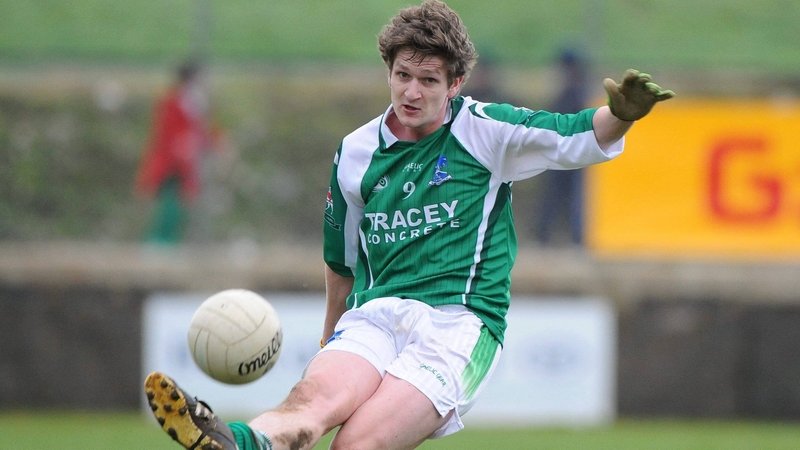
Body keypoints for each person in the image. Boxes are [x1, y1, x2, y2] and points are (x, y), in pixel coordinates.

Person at [144, 1, 674, 449]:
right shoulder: (355, 151)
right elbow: (341, 261)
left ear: (455, 82)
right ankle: (236, 442)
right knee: (309, 407)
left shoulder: (484, 131)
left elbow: (576, 133)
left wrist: (623, 114)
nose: (412, 92)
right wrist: (332, 338)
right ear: (388, 73)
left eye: (428, 80)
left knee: (356, 443)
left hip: (458, 327)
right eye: (402, 76)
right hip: (374, 318)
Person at [134, 59, 219, 245]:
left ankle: (169, 241)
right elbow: (167, 132)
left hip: (187, 160)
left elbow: (203, 130)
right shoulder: (174, 101)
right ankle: (160, 242)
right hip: (172, 160)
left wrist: (215, 143)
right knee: (170, 202)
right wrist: (181, 147)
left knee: (180, 202)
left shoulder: (196, 102)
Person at [532, 48, 591, 246]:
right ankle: (545, 235)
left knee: (577, 198)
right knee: (556, 197)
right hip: (560, 152)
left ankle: (576, 237)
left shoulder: (579, 93)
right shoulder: (574, 92)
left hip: (576, 153)